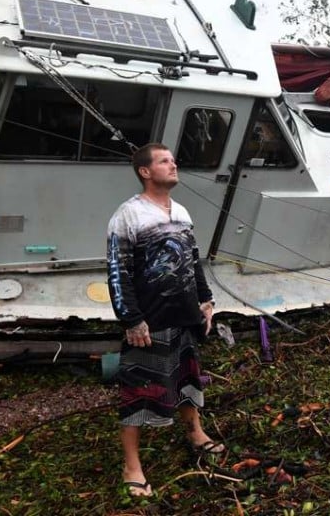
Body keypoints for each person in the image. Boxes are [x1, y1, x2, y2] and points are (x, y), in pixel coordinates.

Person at [106, 142, 223, 498]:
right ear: (145, 171)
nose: (173, 165)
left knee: (188, 378)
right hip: (150, 321)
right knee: (139, 391)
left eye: (173, 159)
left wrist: (206, 300)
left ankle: (195, 433)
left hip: (185, 315)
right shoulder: (127, 215)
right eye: (164, 161)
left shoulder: (182, 212)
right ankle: (132, 465)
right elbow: (117, 271)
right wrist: (131, 319)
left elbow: (193, 261)